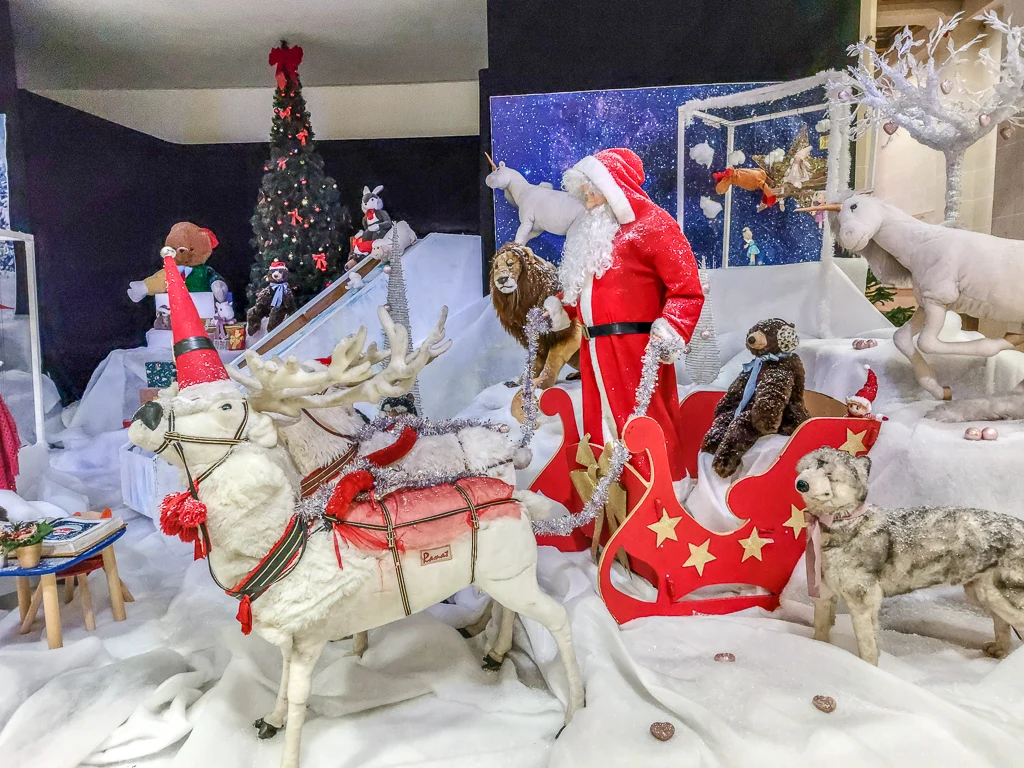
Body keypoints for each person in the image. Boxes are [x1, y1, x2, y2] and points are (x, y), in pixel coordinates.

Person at [543, 148, 704, 484]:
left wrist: (672, 326)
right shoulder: (597, 236)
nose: (587, 202)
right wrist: (563, 307)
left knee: (641, 423)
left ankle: (661, 492)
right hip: (593, 350)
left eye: (591, 192)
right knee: (600, 425)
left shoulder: (654, 225)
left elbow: (687, 289)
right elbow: (589, 289)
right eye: (584, 194)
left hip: (635, 349)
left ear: (613, 188)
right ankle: (611, 498)